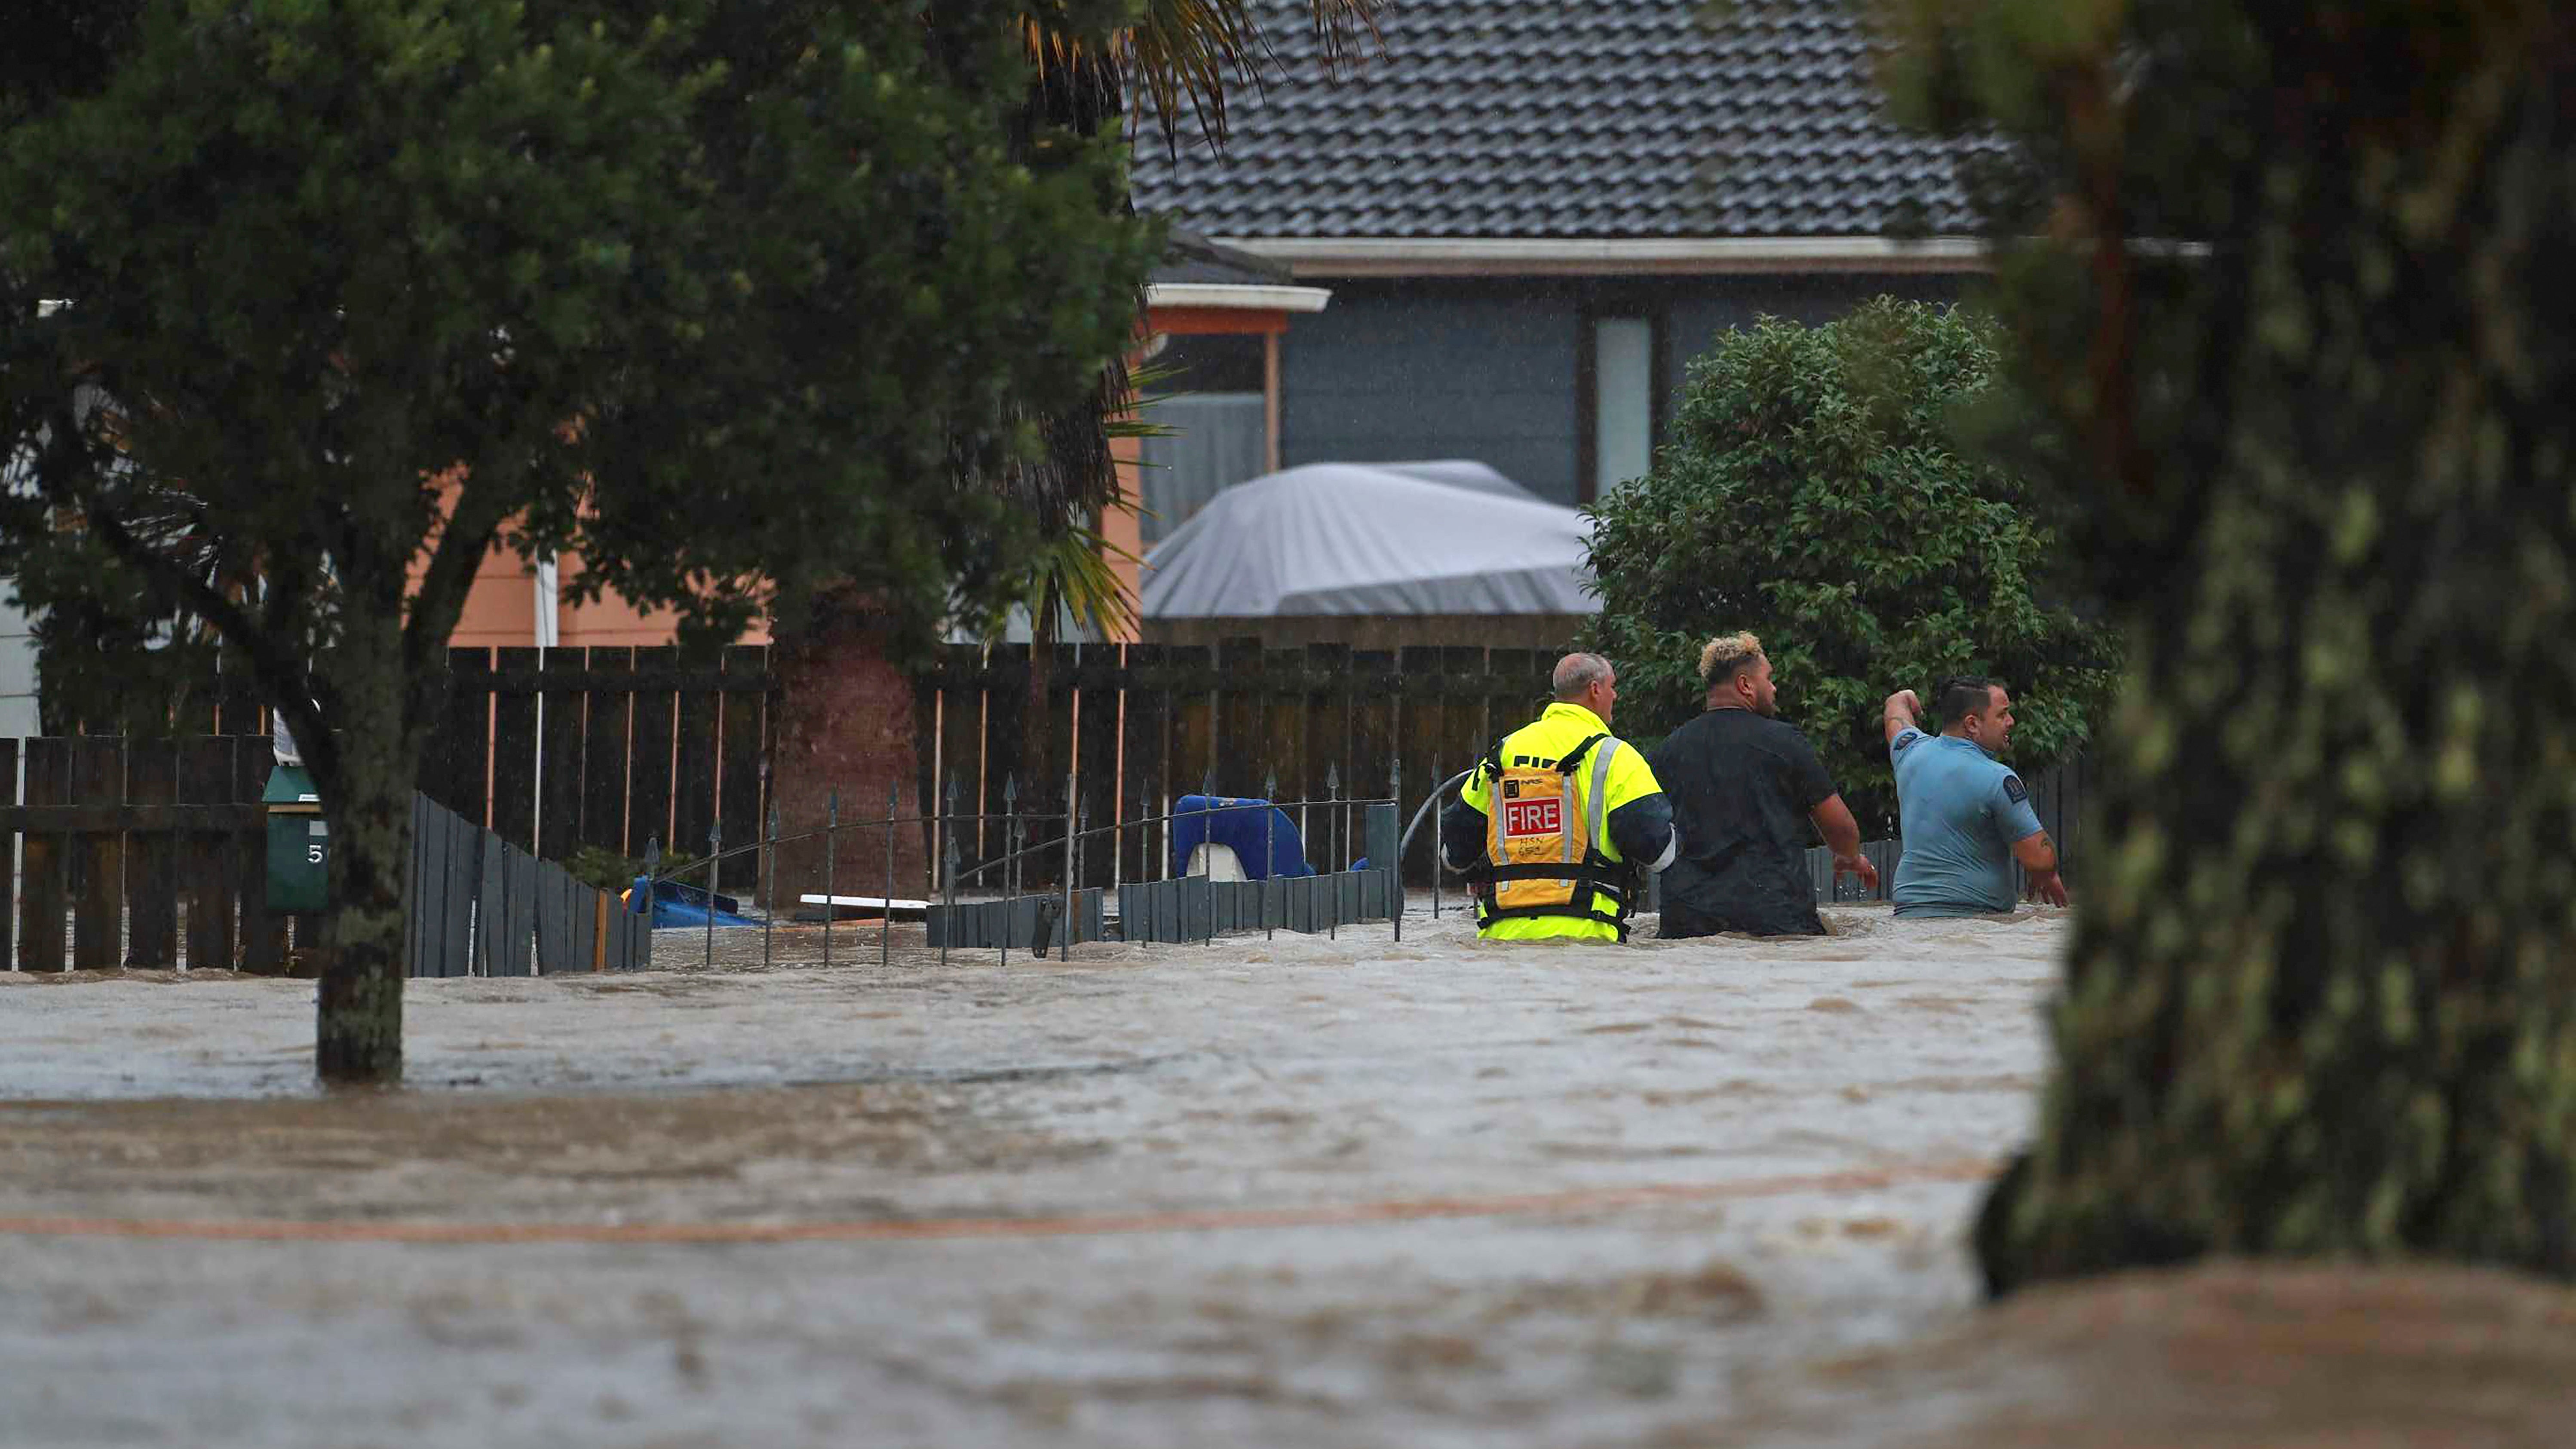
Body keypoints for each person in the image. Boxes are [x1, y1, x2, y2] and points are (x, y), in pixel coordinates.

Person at [1648, 632, 1878, 937]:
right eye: (1769, 679)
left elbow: (1647, 829)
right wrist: (1849, 856)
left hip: (1688, 924)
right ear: (1745, 685)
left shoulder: (1668, 750)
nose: (1774, 688)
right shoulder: (1784, 742)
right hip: (1775, 919)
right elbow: (1842, 827)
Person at [1441, 652, 1676, 940]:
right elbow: (1660, 851)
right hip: (1589, 937)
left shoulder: (1503, 753)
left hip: (1502, 940)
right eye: (1613, 686)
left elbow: (1455, 851)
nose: (1615, 695)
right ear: (1595, 690)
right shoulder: (1616, 757)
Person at [1883, 677, 2068, 916]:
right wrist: (2048, 873)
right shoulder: (1998, 778)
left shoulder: (1908, 752)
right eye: (2002, 715)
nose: (2011, 722)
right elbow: (2040, 858)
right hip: (1976, 924)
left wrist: (1903, 697)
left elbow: (1894, 713)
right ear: (1972, 724)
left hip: (1908, 918)